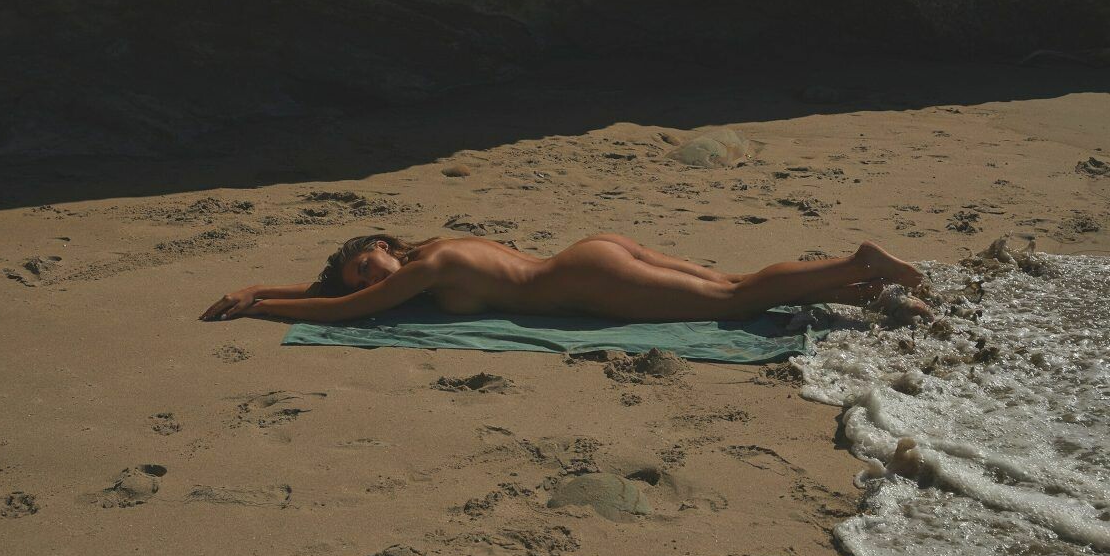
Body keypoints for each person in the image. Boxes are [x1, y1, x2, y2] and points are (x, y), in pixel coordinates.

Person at [199, 232, 930, 324]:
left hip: (587, 280)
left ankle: (857, 263)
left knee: (733, 299)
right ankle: (851, 286)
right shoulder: (443, 245)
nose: (369, 278)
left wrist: (260, 309)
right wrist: (259, 285)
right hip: (592, 251)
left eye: (368, 263)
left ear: (386, 247)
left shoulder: (429, 268)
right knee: (734, 281)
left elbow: (347, 312)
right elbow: (342, 297)